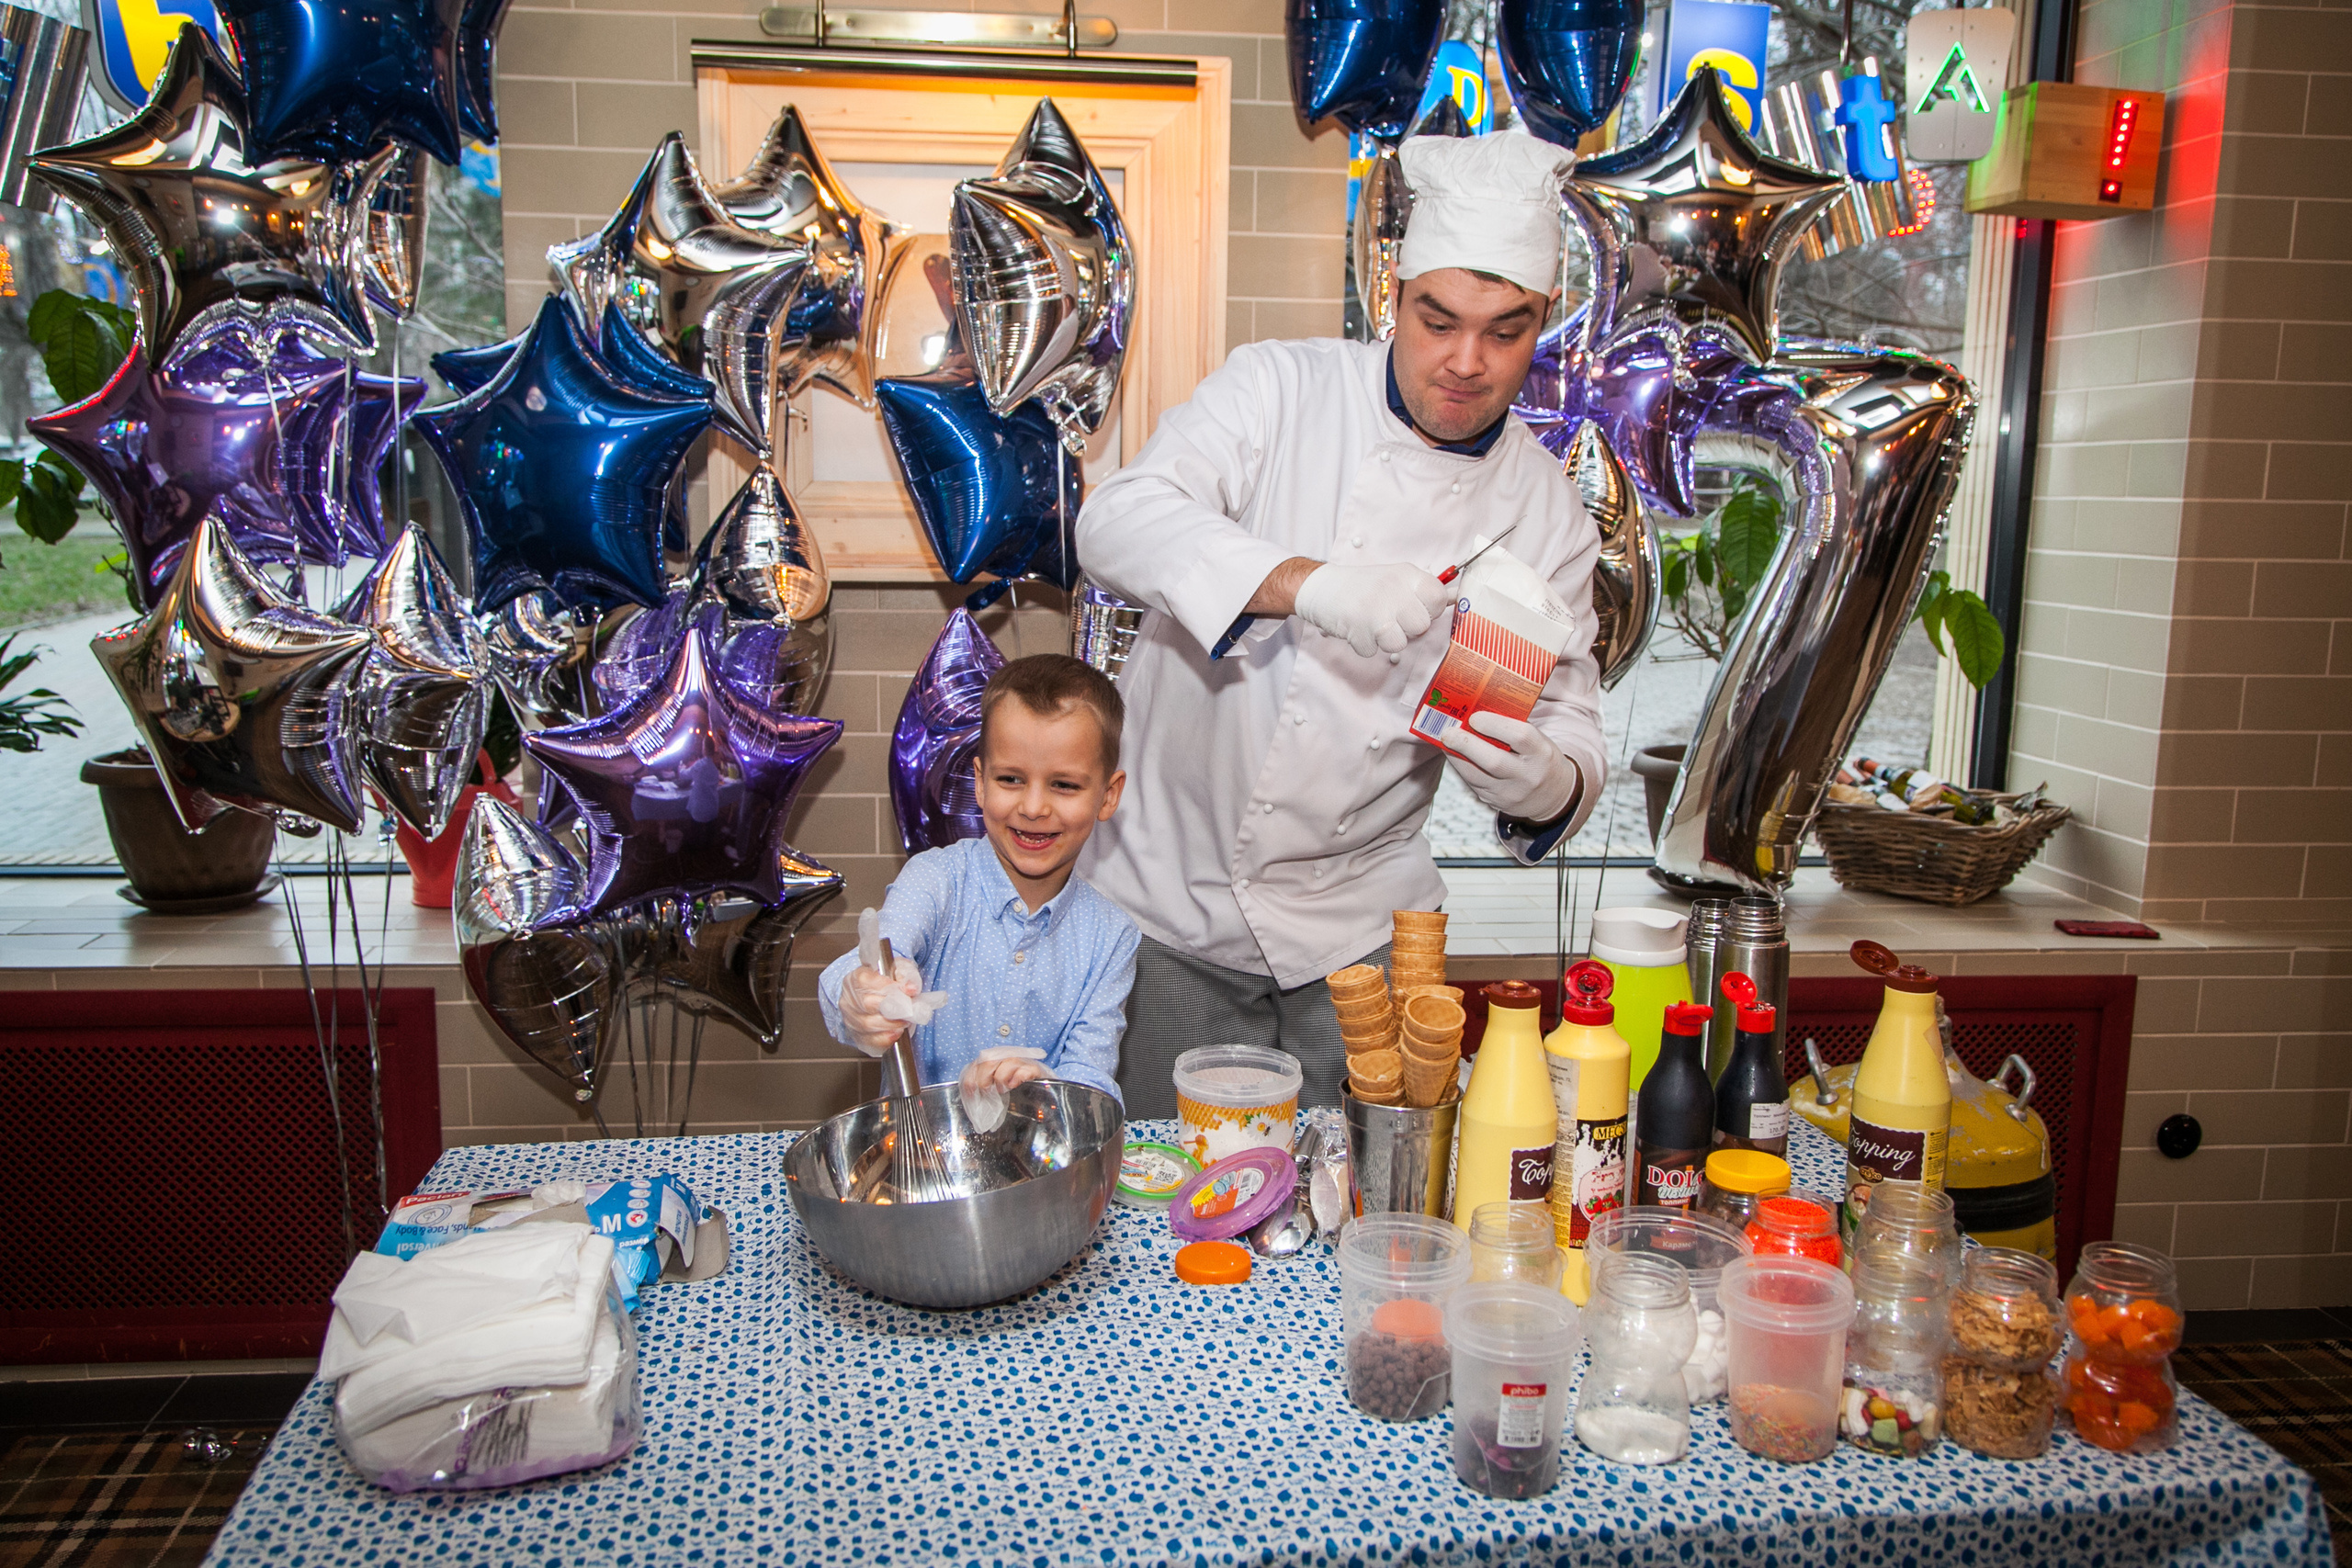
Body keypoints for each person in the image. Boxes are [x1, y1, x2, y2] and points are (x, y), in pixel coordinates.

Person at [1074, 130, 1609, 1117]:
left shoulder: (1544, 513)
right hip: (1168, 908)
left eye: (1505, 330)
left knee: (1359, 1213)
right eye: (1436, 318)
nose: (1463, 361)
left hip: (1365, 932)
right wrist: (1306, 585)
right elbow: (1113, 522)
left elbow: (1572, 733)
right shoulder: (1280, 389)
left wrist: (1541, 779)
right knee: (1166, 1219)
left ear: (1544, 324)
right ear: (1390, 293)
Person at [818, 653, 1137, 1106]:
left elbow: (1093, 1080)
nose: (1033, 807)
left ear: (1108, 796)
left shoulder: (1112, 937)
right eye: (1011, 779)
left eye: (1064, 785)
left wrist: (1049, 1088)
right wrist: (861, 994)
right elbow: (875, 955)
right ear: (981, 782)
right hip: (919, 1156)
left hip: (1040, 1165)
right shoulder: (935, 880)